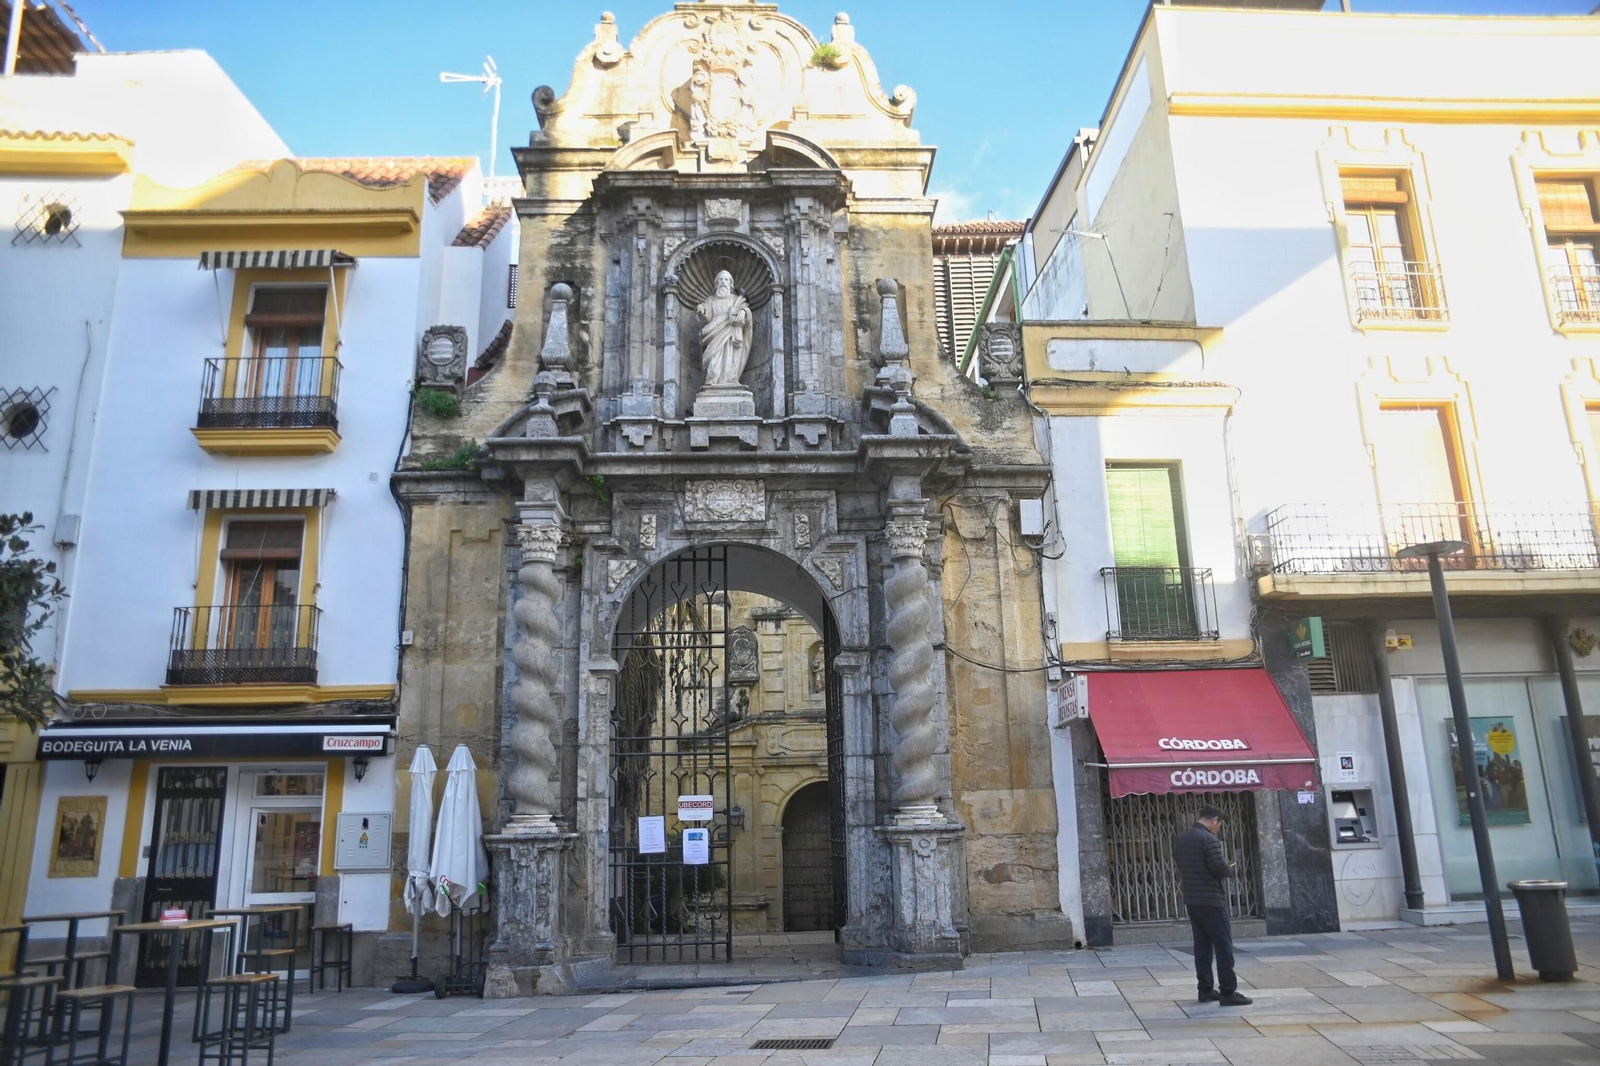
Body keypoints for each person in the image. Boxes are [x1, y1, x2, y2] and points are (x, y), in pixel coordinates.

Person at [1175, 805, 1252, 1007]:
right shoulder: (1208, 839)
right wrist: (1229, 869)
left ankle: (1205, 989)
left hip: (1192, 900)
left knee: (1202, 947)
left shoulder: (1182, 839)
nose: (1217, 829)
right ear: (1214, 820)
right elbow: (1218, 868)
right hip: (1211, 899)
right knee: (1223, 946)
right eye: (1219, 825)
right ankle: (1228, 991)